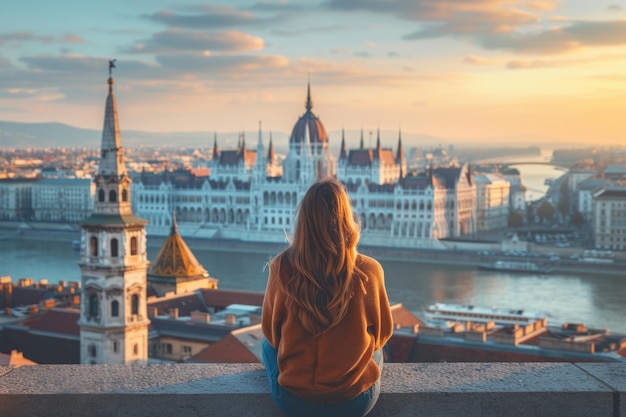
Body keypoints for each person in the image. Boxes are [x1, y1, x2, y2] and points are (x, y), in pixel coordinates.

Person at [261, 177, 394, 417]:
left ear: (303, 220)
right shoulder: (370, 271)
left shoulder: (282, 267)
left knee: (265, 345)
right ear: (346, 218)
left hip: (293, 401)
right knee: (376, 351)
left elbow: (271, 333)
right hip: (355, 402)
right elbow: (383, 332)